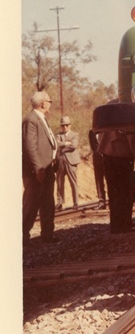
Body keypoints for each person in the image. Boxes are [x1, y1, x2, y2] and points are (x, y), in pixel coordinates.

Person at [22, 90, 58, 245]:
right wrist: (38, 168)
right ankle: (22, 235)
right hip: (38, 171)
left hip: (47, 168)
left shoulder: (40, 119)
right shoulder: (31, 120)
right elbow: (30, 147)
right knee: (32, 204)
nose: (50, 103)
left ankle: (48, 235)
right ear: (43, 103)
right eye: (49, 101)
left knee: (47, 203)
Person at [98, 127, 135, 234]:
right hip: (123, 156)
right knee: (125, 192)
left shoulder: (108, 113)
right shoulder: (125, 113)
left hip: (107, 156)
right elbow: (131, 138)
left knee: (113, 192)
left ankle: (116, 225)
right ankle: (125, 225)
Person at [56, 116, 81, 210]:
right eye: (63, 125)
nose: (65, 127)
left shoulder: (75, 134)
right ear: (61, 126)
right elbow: (56, 144)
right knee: (59, 183)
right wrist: (66, 143)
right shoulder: (58, 135)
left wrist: (63, 148)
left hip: (71, 161)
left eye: (66, 125)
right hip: (60, 161)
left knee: (73, 182)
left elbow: (74, 145)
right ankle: (59, 203)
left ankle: (76, 203)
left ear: (70, 125)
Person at [89, 129, 107, 208]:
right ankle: (101, 201)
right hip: (97, 159)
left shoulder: (106, 130)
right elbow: (93, 146)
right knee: (99, 180)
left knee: (109, 180)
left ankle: (112, 201)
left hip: (107, 157)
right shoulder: (91, 132)